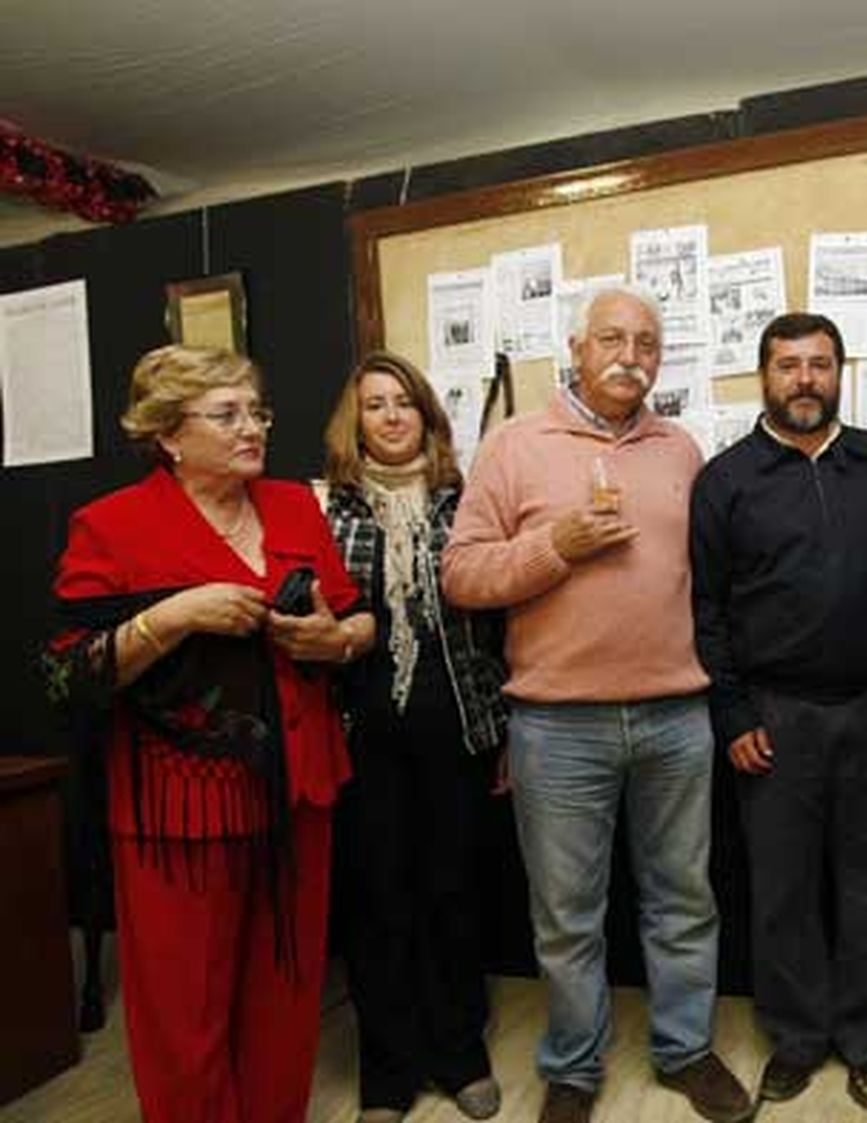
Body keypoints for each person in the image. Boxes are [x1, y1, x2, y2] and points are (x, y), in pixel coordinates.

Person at [442, 284, 754, 1123]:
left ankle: (685, 1049)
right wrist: (556, 545)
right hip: (557, 723)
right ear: (574, 349)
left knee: (684, 899)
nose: (631, 354)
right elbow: (462, 574)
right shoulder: (514, 446)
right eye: (612, 338)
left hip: (674, 716)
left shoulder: (682, 449)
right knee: (567, 915)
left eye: (648, 342)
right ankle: (574, 1066)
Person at [46, 344, 375, 1123]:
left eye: (256, 411)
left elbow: (359, 614)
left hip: (300, 790)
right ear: (168, 433)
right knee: (185, 1021)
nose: (252, 427)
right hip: (180, 812)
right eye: (226, 414)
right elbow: (68, 674)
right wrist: (172, 616)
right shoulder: (112, 526)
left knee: (286, 1000)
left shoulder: (296, 506)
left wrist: (340, 638)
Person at [689, 313, 867, 1111]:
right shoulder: (725, 481)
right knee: (781, 889)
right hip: (775, 717)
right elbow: (708, 609)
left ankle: (866, 1039)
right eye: (789, 366)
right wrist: (733, 713)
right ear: (764, 376)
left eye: (820, 364)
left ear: (840, 372)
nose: (805, 380)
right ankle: (795, 1038)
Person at [321, 351, 509, 1123]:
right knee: (377, 901)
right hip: (362, 735)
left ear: (428, 418)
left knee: (455, 894)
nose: (391, 416)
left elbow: (498, 625)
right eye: (375, 404)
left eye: (405, 402)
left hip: (457, 727)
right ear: (354, 420)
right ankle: (388, 1073)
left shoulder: (464, 503)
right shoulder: (325, 510)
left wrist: (506, 731)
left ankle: (460, 1053)